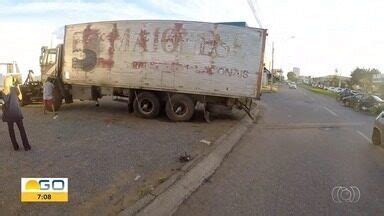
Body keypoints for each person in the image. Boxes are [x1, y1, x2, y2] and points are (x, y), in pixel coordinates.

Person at [1, 76, 31, 151]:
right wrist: (19, 88)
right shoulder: (14, 89)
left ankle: (15, 147)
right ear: (10, 82)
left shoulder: (2, 92)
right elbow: (20, 98)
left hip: (8, 114)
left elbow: (2, 103)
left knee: (11, 131)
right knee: (21, 129)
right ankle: (26, 146)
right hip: (16, 112)